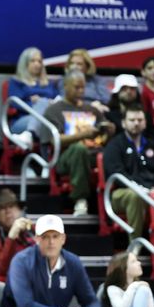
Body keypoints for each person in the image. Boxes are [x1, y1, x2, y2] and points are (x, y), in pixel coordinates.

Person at [44, 70, 115, 216]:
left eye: (83, 87)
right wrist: (82, 135)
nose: (81, 91)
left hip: (94, 153)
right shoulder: (54, 110)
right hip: (66, 156)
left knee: (114, 150)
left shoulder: (92, 109)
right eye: (77, 87)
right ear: (66, 86)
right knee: (79, 148)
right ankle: (80, 199)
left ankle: (113, 198)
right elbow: (54, 140)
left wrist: (109, 132)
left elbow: (103, 139)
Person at [102, 103, 154, 240]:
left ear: (145, 123)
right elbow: (117, 175)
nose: (136, 123)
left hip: (153, 191)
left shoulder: (152, 145)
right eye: (132, 120)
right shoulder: (114, 146)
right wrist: (143, 190)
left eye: (140, 120)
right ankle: (135, 246)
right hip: (122, 193)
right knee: (135, 196)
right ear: (123, 123)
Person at [8, 47, 58, 149]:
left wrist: (45, 103)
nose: (37, 64)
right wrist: (37, 104)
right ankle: (29, 133)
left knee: (45, 108)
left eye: (39, 61)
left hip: (47, 119)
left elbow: (57, 100)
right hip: (23, 120)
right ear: (25, 63)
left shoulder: (48, 83)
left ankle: (29, 136)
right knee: (43, 106)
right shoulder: (17, 82)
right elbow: (15, 103)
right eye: (33, 61)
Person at [0, 189, 34, 282]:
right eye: (2, 208)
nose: (8, 211)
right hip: (9, 284)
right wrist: (11, 237)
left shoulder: (32, 230)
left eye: (11, 206)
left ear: (20, 210)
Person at [56, 49, 110, 113]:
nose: (74, 67)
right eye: (72, 63)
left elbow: (106, 99)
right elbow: (65, 99)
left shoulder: (97, 80)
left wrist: (98, 103)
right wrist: (89, 106)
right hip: (71, 110)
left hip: (97, 109)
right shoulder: (63, 80)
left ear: (87, 66)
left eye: (79, 64)